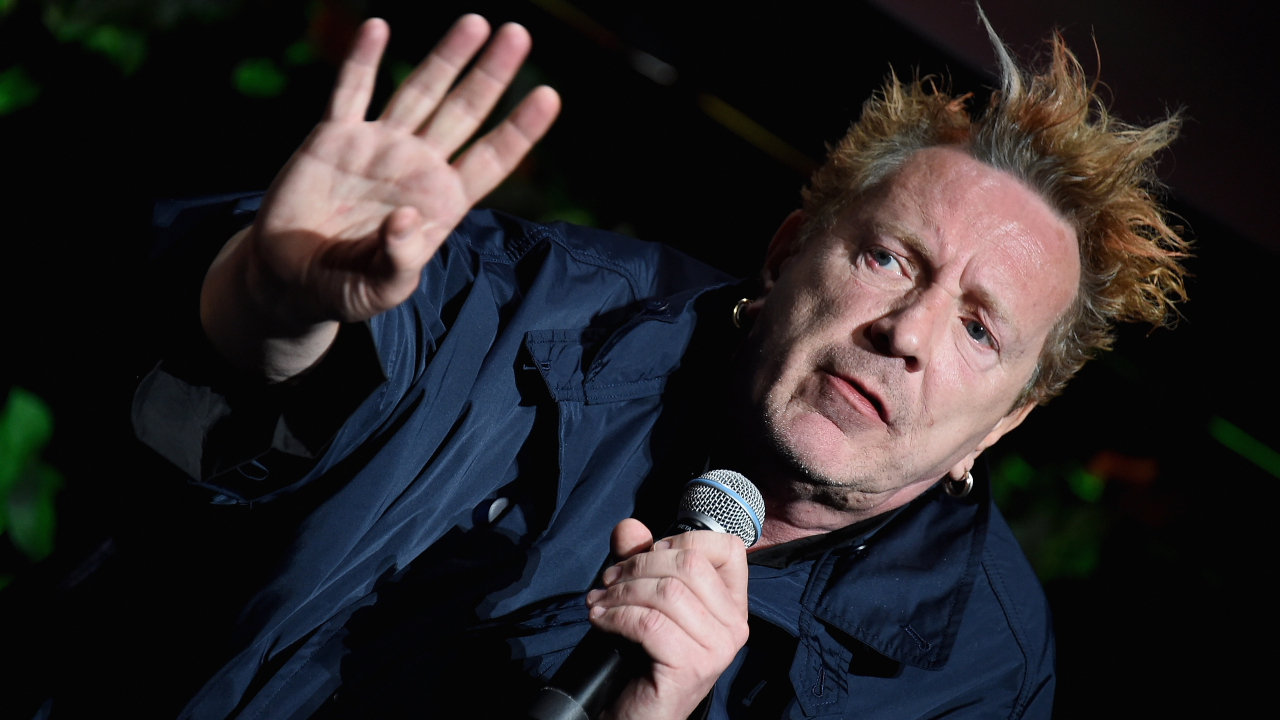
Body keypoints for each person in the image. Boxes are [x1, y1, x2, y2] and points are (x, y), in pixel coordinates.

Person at [116, 10, 1185, 720]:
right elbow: (256, 374)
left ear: (1006, 422)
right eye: (886, 258)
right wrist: (273, 293)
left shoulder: (974, 676)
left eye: (978, 328)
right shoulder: (543, 312)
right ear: (780, 257)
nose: (904, 331)